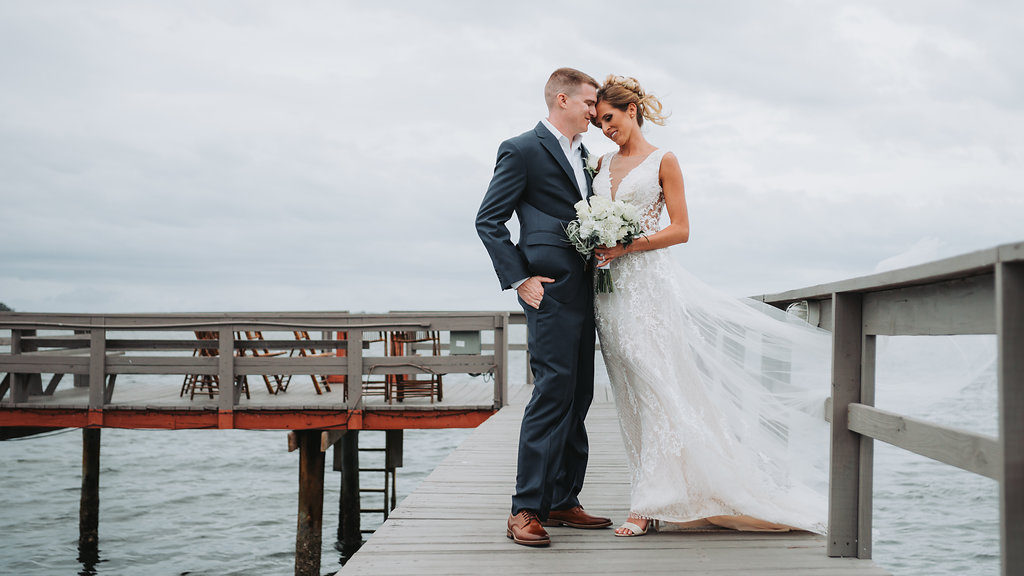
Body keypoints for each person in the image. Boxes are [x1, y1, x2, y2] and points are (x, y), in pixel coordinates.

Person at [588, 75, 831, 537]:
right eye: (599, 123)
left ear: (631, 111)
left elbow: (680, 230)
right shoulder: (600, 164)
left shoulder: (664, 160)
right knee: (630, 393)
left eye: (609, 119)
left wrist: (629, 245)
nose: (605, 129)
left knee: (658, 384)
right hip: (610, 295)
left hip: (649, 289)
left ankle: (648, 503)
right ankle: (657, 489)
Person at [476, 67, 613, 547]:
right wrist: (519, 278)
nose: (594, 111)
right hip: (549, 290)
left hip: (589, 290)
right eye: (589, 102)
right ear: (562, 99)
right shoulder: (522, 148)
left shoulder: (588, 156)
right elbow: (489, 220)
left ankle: (562, 500)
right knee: (552, 393)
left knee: (580, 395)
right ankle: (525, 509)